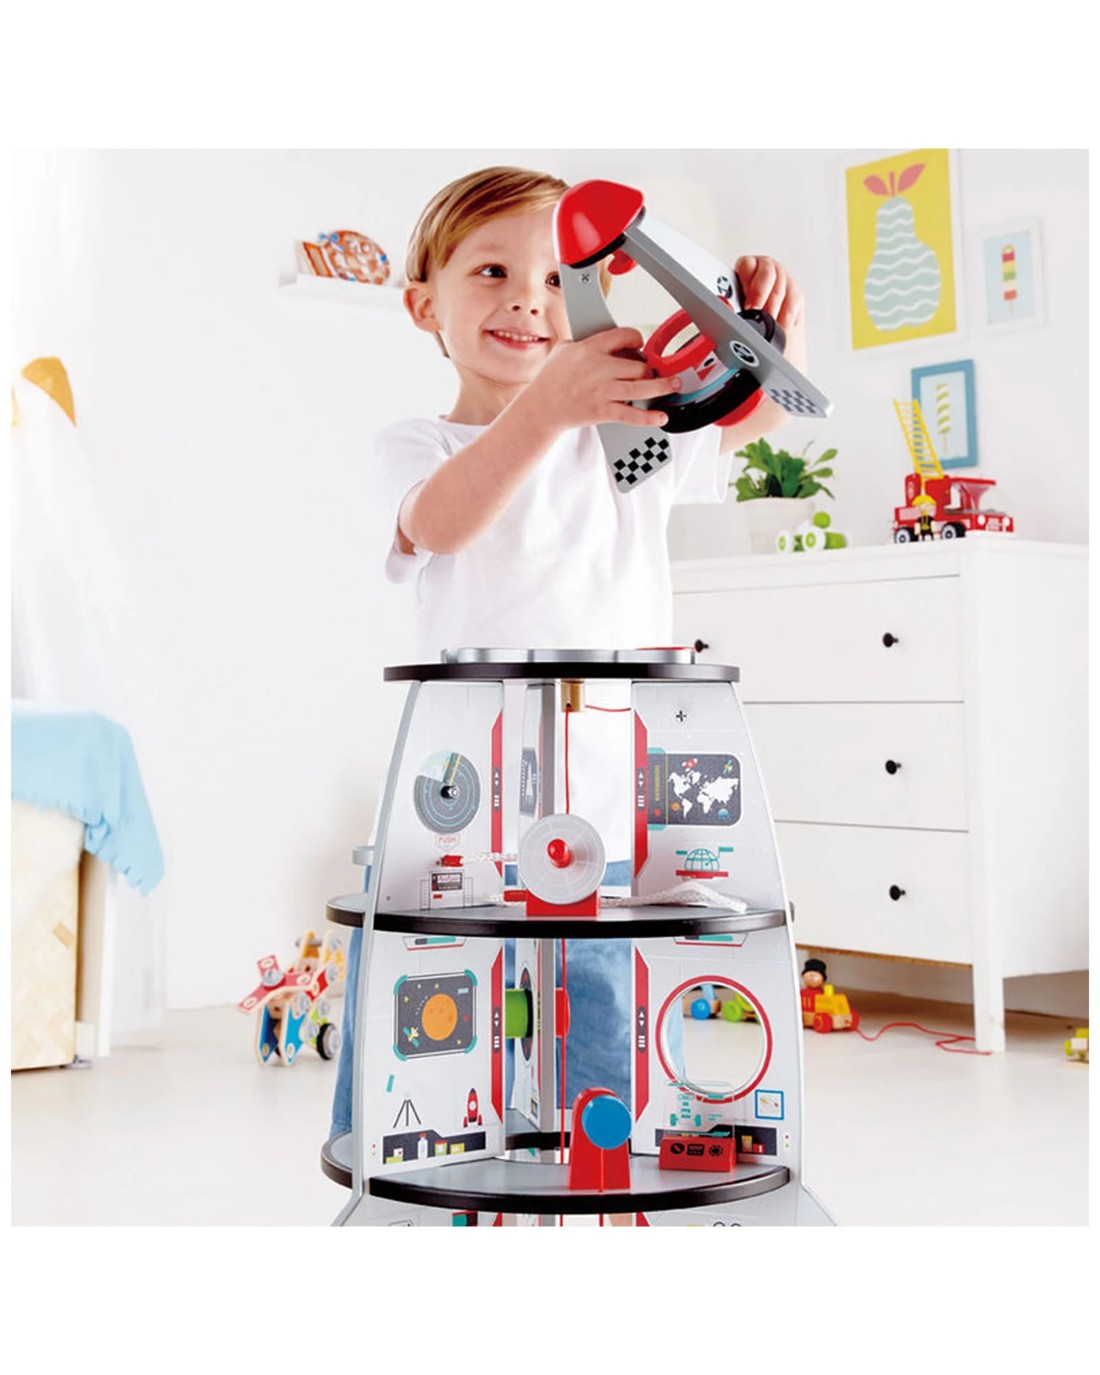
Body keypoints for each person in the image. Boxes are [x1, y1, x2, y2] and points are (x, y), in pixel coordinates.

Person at [329, 164, 808, 1141]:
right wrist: (547, 407)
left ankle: (592, 1177)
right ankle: (403, 1178)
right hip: (458, 816)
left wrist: (767, 327)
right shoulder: (418, 444)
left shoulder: (630, 438)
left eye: (558, 279)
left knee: (594, 1021)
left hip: (601, 803)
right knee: (418, 1019)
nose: (529, 301)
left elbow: (759, 410)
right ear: (423, 306)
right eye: (492, 272)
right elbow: (442, 521)